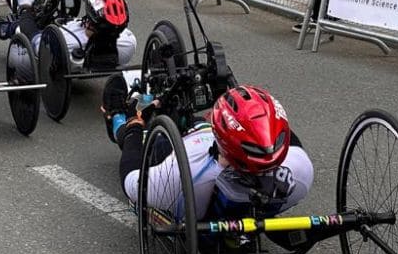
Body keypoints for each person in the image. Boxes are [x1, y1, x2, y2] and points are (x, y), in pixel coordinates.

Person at [104, 83, 313, 221]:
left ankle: (120, 119)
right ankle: (163, 104)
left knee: (145, 135)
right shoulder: (301, 170)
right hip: (208, 139)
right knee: (186, 118)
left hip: (188, 144)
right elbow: (284, 132)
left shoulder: (183, 174)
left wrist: (133, 129)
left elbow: (130, 180)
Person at [2, 0, 137, 81]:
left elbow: (35, 40)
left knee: (18, 28)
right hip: (74, 34)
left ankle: (1, 27)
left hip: (53, 47)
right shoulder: (129, 41)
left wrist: (25, 8)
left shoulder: (67, 44)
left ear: (90, 21)